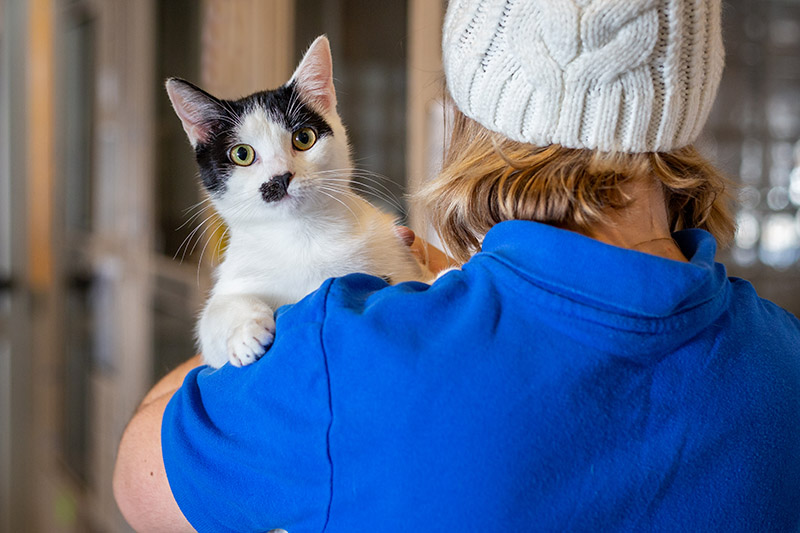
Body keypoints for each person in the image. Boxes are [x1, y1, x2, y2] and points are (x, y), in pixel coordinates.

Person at [113, 0, 800, 531]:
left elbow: (139, 477)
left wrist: (298, 337)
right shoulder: (785, 360)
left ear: (476, 117)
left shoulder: (353, 353)